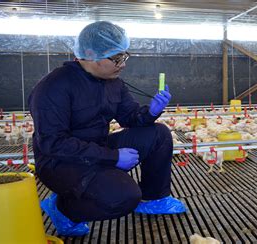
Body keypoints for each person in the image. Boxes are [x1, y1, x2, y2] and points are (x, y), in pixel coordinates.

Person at [28, 21, 185, 237]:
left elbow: (130, 117)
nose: (122, 64)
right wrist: (112, 157)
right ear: (91, 54)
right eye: (116, 58)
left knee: (159, 133)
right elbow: (53, 143)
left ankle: (154, 197)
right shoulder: (54, 87)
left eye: (124, 56)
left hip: (96, 148)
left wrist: (151, 112)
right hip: (60, 162)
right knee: (123, 197)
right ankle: (63, 209)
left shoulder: (113, 83)